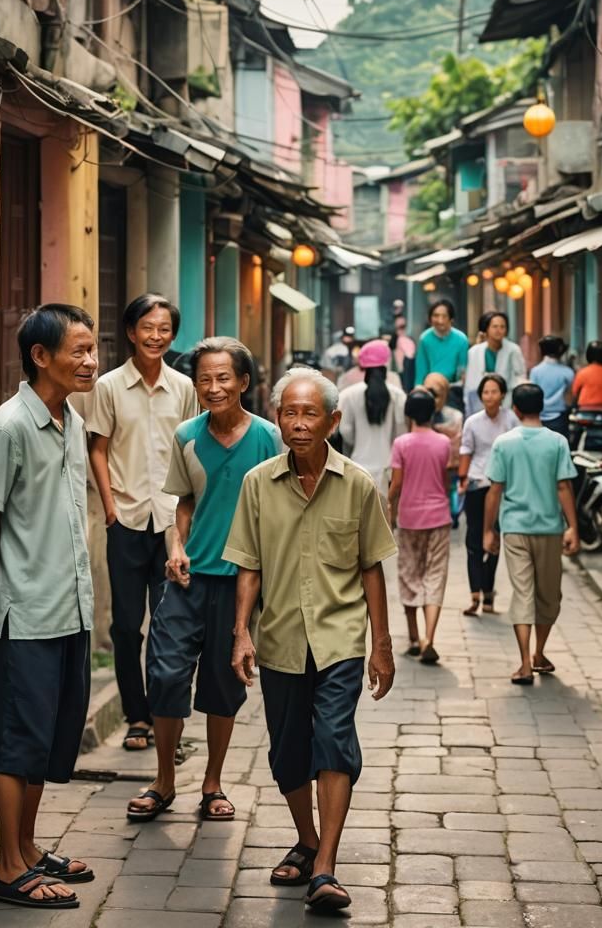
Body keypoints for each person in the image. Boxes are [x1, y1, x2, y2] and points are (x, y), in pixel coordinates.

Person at [224, 368, 396, 913]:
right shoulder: (257, 484)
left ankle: (325, 868)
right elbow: (247, 565)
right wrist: (240, 635)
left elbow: (372, 568)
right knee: (287, 751)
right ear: (278, 419)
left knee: (333, 740)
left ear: (333, 420)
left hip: (340, 637)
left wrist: (383, 645)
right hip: (279, 638)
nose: (298, 424)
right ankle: (307, 839)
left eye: (309, 414)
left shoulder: (359, 484)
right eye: (289, 413)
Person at [0, 304, 98, 910]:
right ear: (41, 357)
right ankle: (8, 868)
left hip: (71, 606)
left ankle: (30, 849)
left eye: (94, 350)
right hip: (27, 612)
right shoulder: (10, 426)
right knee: (18, 738)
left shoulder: (72, 421)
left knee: (46, 737)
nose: (91, 362)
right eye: (79, 351)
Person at [127, 337, 282, 823]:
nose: (213, 388)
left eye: (223, 378)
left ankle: (213, 782)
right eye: (204, 380)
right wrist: (175, 547)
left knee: (222, 684)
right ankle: (164, 781)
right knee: (167, 674)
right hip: (189, 579)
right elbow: (184, 503)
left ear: (244, 383)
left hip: (241, 582)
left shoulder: (269, 439)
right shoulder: (187, 436)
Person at [86, 294, 198, 752]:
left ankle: (164, 713)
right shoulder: (109, 386)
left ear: (173, 334)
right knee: (127, 626)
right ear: (131, 332)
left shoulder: (184, 388)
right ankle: (137, 717)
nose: (156, 336)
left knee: (170, 625)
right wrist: (110, 509)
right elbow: (97, 447)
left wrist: (191, 518)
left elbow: (192, 451)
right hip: (127, 521)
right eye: (147, 328)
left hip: (172, 525)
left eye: (165, 328)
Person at [483, 383, 580, 686]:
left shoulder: (504, 443)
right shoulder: (558, 442)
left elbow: (495, 489)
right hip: (549, 528)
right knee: (548, 595)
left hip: (514, 528)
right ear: (542, 408)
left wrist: (488, 529)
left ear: (515, 409)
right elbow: (564, 487)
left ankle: (526, 662)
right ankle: (537, 653)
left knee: (523, 593)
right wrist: (573, 526)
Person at [388, 388, 452, 664]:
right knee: (435, 575)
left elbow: (397, 484)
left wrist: (389, 507)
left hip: (410, 518)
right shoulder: (443, 443)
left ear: (408, 414)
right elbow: (445, 479)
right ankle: (429, 637)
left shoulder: (402, 443)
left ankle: (414, 638)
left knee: (409, 574)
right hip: (439, 516)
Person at [458, 373, 519, 616]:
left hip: (503, 485)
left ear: (503, 394)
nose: (489, 396)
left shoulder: (511, 420)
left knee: (493, 538)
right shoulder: (472, 422)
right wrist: (462, 480)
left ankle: (489, 596)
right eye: (485, 392)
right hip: (477, 482)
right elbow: (466, 451)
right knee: (474, 539)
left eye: (494, 391)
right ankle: (475, 595)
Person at [338, 339, 406, 503]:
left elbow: (345, 432)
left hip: (356, 468)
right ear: (386, 366)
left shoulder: (347, 395)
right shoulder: (398, 396)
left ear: (363, 367)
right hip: (388, 471)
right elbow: (401, 434)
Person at [462, 311, 527, 416]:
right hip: (479, 401)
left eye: (502, 327)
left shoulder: (513, 350)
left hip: (507, 400)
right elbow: (470, 382)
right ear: (486, 329)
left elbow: (521, 375)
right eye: (495, 326)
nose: (499, 330)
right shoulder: (474, 351)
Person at [423, 371, 464, 527]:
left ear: (445, 395)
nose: (432, 400)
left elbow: (456, 442)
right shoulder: (418, 415)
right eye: (428, 393)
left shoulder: (455, 416)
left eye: (436, 395)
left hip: (448, 466)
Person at [414, 299, 469, 385]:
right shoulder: (424, 339)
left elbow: (462, 371)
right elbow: (421, 372)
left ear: (451, 319)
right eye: (436, 316)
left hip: (454, 387)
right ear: (430, 318)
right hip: (430, 387)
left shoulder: (461, 339)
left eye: (444, 316)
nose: (440, 320)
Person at [529, 335, 575, 437]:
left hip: (539, 417)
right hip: (560, 418)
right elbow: (570, 397)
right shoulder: (567, 372)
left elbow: (532, 394)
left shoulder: (535, 371)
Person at [390, 313, 417, 391]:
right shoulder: (402, 340)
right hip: (402, 375)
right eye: (398, 327)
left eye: (403, 326)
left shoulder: (402, 340)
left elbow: (410, 357)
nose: (401, 329)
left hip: (402, 375)